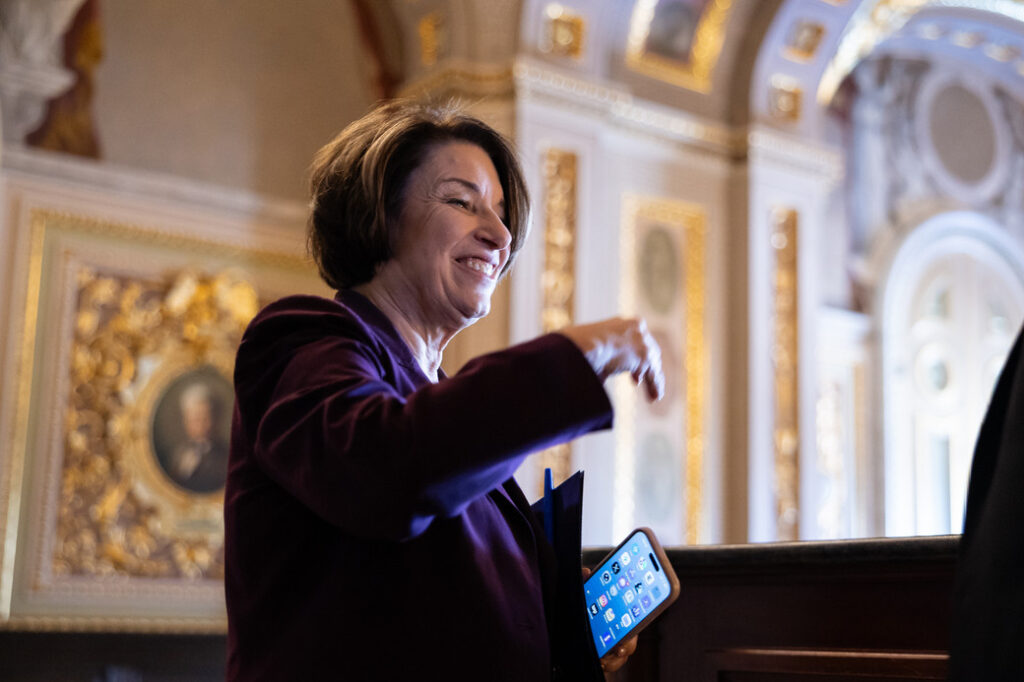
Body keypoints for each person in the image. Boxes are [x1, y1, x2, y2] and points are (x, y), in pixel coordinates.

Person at [224, 99, 664, 681]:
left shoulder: (445, 403)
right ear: (379, 213)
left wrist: (550, 616)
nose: (500, 234)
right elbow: (389, 469)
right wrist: (583, 353)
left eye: (503, 214)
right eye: (462, 201)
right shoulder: (301, 341)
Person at [165, 381, 228, 493]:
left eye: (206, 418)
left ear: (216, 420)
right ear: (186, 422)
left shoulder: (225, 456)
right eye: (195, 420)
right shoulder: (179, 453)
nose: (201, 425)